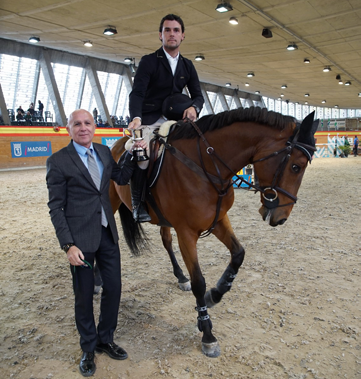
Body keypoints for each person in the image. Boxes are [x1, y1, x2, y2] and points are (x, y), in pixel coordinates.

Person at [46, 109, 146, 377]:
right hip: (80, 241)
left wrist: (135, 150)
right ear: (68, 129)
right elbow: (56, 208)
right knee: (84, 295)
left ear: (94, 127)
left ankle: (105, 338)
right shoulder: (58, 161)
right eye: (76, 124)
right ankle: (88, 347)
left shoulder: (102, 153)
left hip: (107, 234)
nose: (83, 128)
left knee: (113, 288)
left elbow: (122, 177)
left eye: (87, 123)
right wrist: (68, 245)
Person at [128, 13, 204, 222]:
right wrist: (136, 117)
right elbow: (137, 93)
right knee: (142, 153)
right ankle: (137, 202)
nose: (172, 34)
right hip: (151, 119)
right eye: (167, 30)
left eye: (176, 30)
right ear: (160, 35)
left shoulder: (188, 65)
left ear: (183, 36)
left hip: (176, 121)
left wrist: (194, 108)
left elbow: (198, 95)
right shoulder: (149, 62)